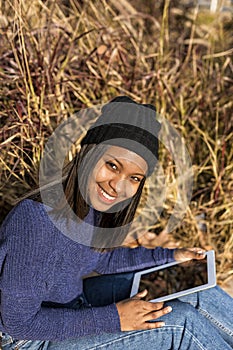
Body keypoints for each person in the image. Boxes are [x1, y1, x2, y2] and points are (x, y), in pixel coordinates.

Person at [0, 96, 232, 350]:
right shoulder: (34, 221)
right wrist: (115, 318)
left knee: (198, 292)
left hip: (76, 304)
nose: (118, 186)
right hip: (31, 340)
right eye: (112, 165)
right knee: (183, 325)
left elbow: (101, 260)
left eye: (133, 178)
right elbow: (16, 323)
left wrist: (172, 256)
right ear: (89, 152)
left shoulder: (90, 208)